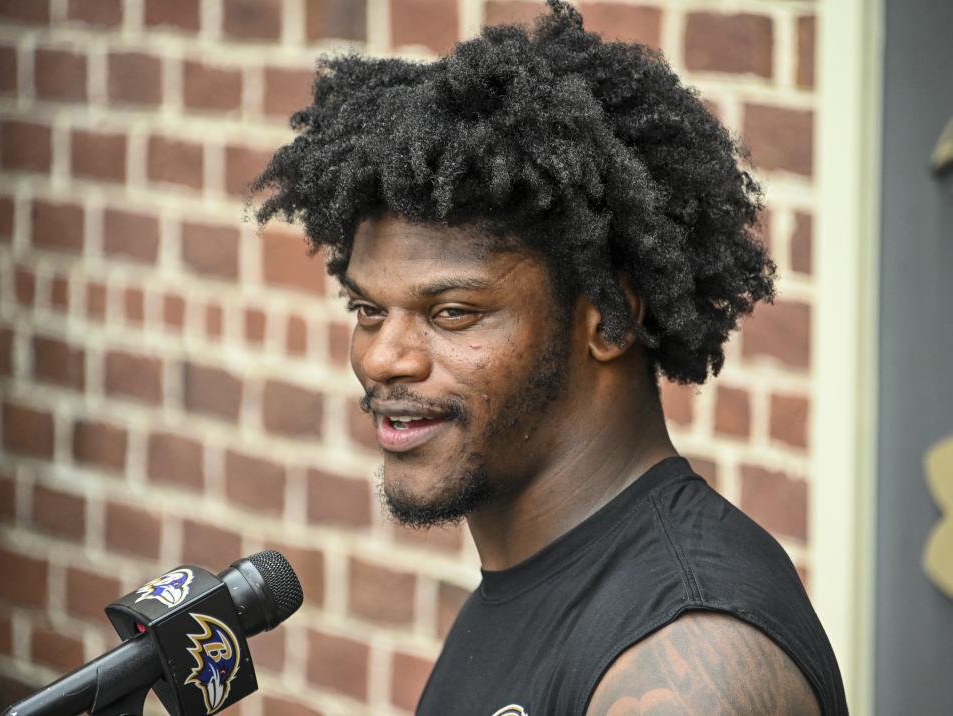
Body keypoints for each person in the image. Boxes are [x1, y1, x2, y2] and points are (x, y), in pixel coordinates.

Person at [252, 1, 848, 713]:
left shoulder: (687, 668)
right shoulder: (527, 580)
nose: (384, 358)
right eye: (368, 311)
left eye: (452, 314)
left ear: (612, 319)